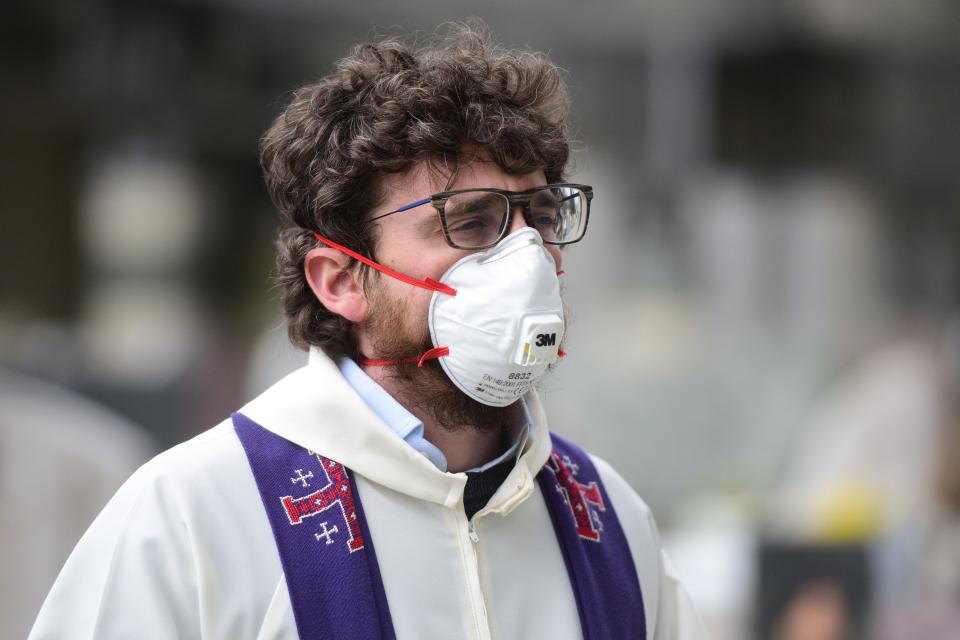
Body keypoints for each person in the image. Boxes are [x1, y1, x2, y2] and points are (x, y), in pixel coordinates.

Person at [31, 22, 706, 639]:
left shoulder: (604, 521)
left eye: (541, 219)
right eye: (471, 223)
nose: (526, 259)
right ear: (340, 280)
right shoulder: (196, 514)